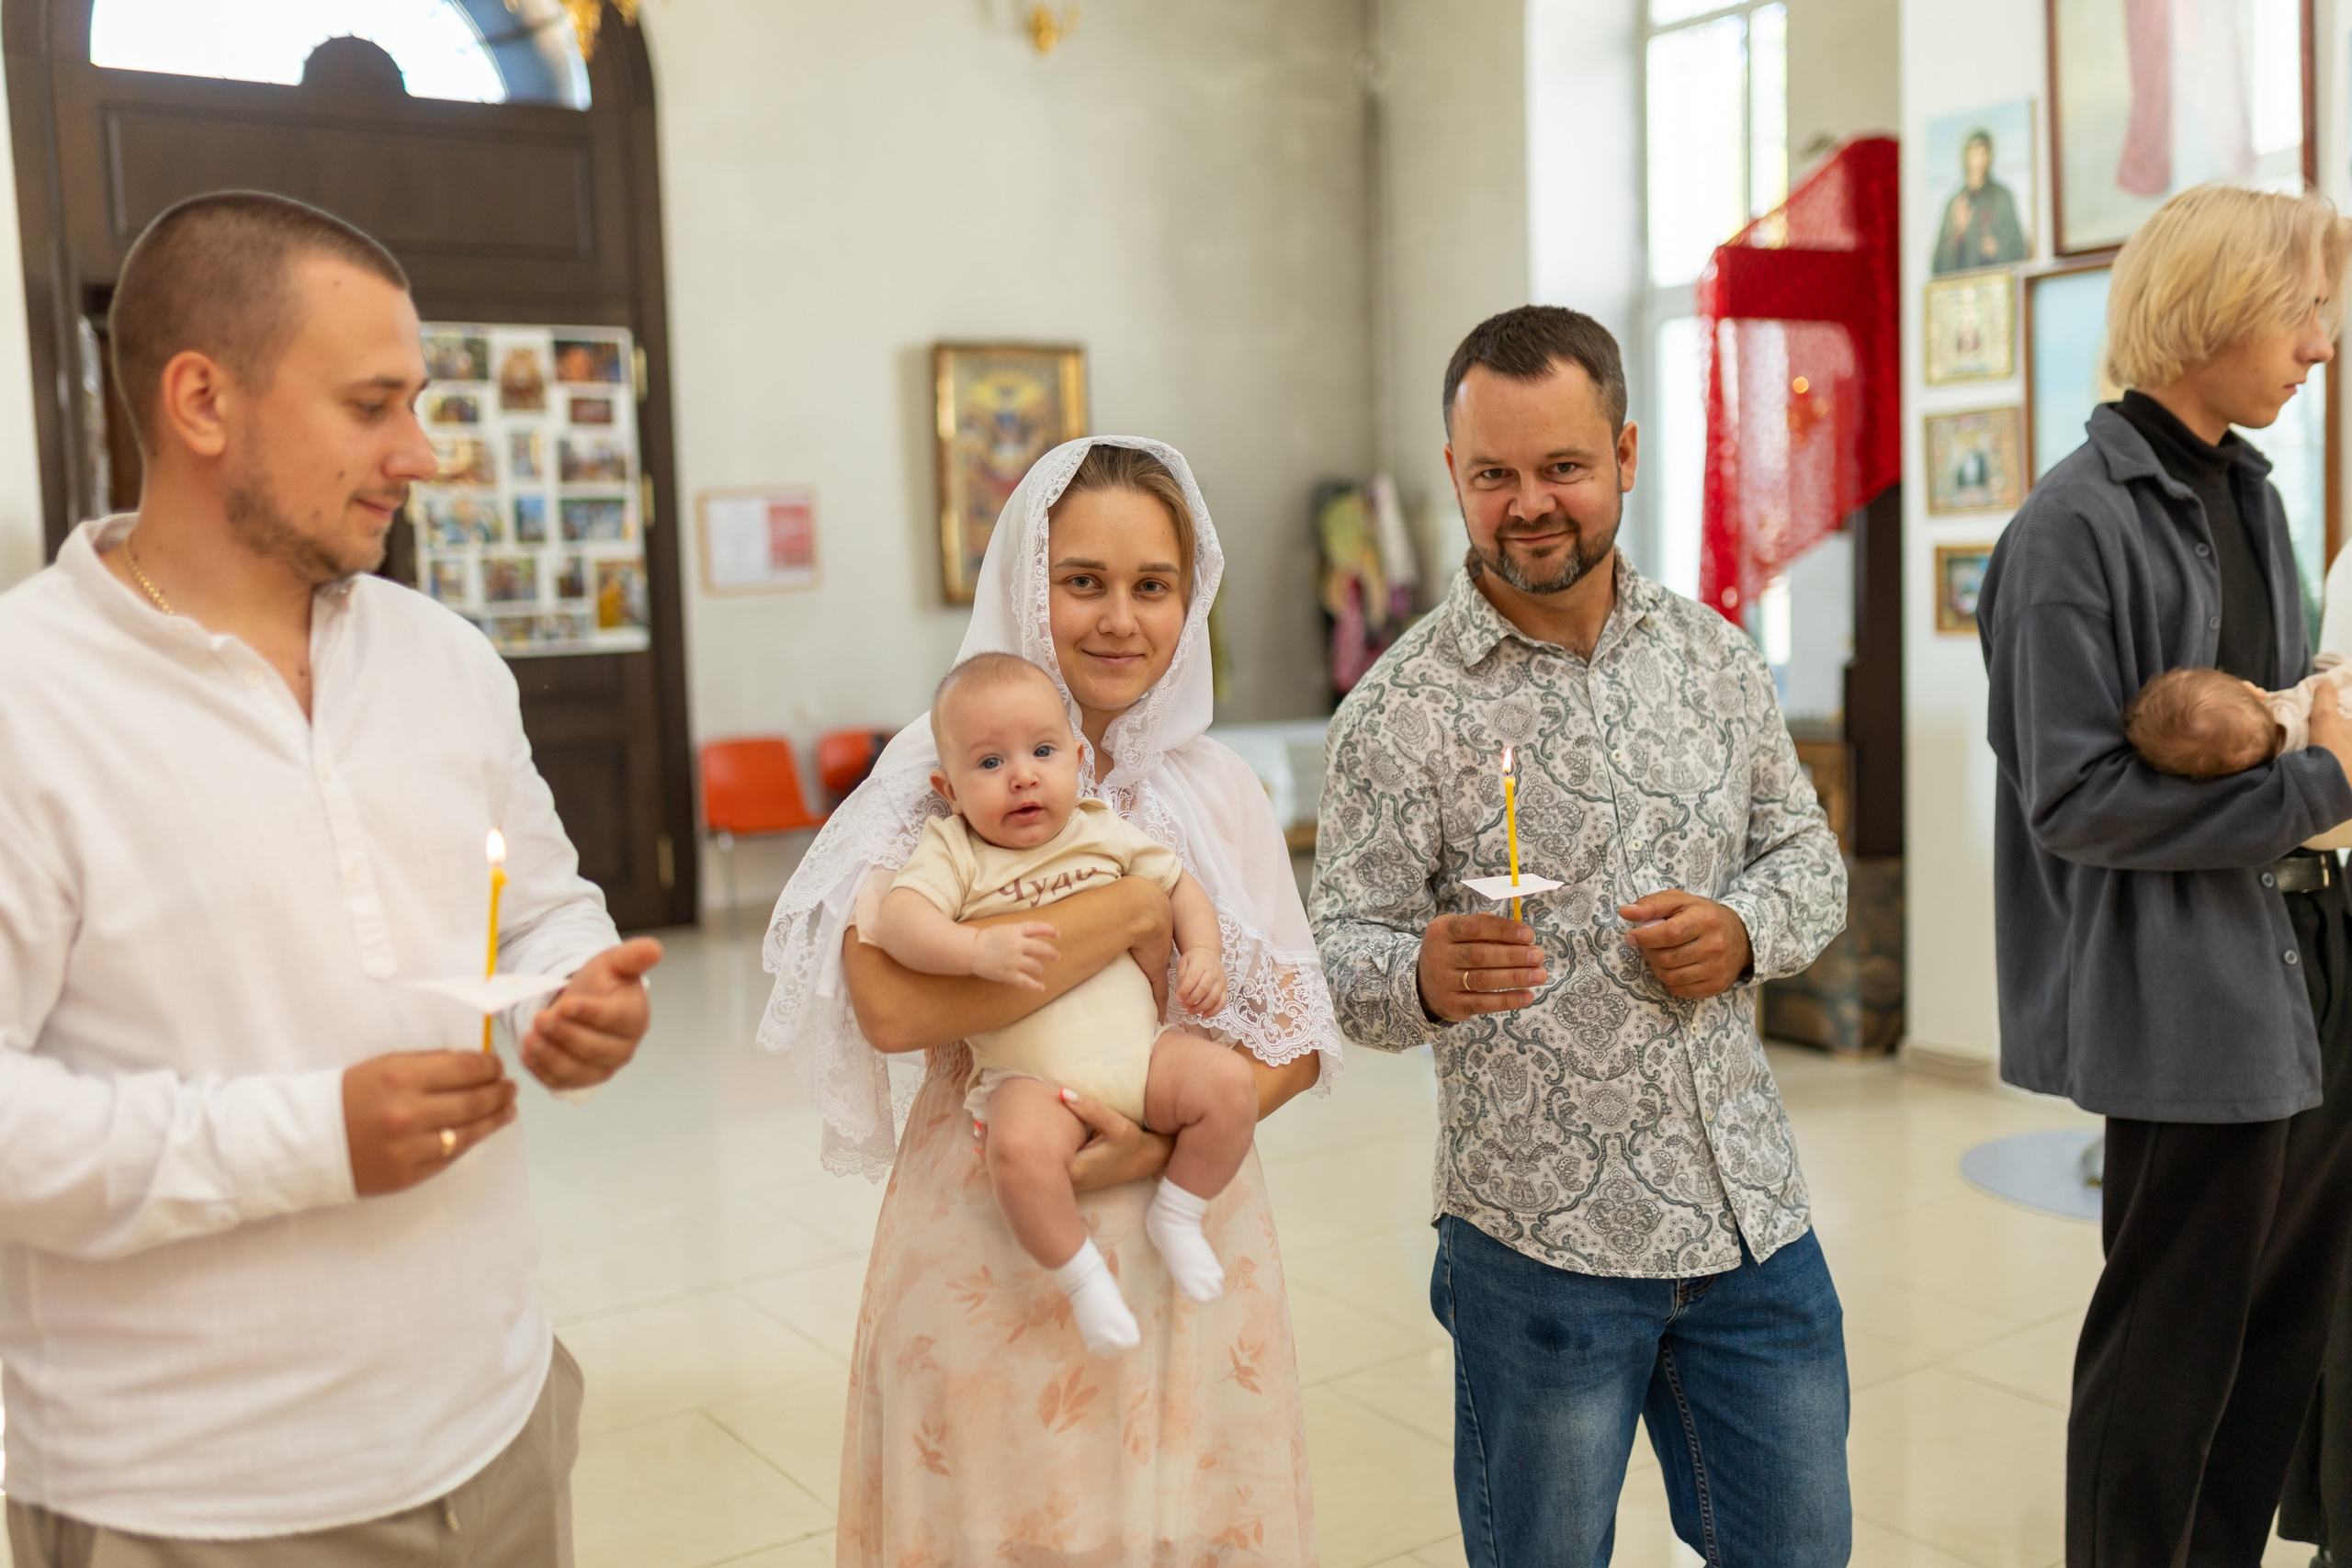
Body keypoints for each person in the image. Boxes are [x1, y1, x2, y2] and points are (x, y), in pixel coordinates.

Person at [0, 191, 660, 1566]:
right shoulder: (27, 698)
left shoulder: (443, 658)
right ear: (200, 400)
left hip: (497, 1415)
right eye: (374, 405)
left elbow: (543, 895)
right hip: (197, 1492)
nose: (423, 453)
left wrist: (571, 987)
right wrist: (309, 1140)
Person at [1311, 305, 1851, 1567]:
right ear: (1454, 473)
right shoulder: (1398, 711)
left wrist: (1745, 926)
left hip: (1752, 1227)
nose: (1528, 503)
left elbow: (1810, 861)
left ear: (1624, 450)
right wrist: (1422, 974)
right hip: (1538, 1249)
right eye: (1493, 474)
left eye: (1561, 465)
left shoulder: (1716, 661)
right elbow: (1338, 953)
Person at [759, 436, 1340, 1562]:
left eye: (1151, 587)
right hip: (994, 1209)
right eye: (1082, 583)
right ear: (1028, 587)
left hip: (1193, 1219)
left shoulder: (1219, 790)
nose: (1119, 619)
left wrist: (1140, 1153)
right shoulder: (927, 772)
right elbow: (890, 1008)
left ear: (1190, 602)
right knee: (1008, 1516)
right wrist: (1123, 918)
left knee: (1186, 1511)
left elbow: (1297, 1044)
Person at [1977, 182, 2352, 1566]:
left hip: (2307, 966)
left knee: (2276, 1339)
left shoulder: (2252, 495)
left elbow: (2274, 709)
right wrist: (2321, 782)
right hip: (2184, 1000)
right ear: (2218, 310)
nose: (2323, 342)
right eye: (2307, 308)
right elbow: (2073, 798)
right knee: (2168, 1357)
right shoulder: (2072, 529)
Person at [868, 650, 1255, 1351]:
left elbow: (1177, 887)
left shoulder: (1098, 825)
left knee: (1227, 1085)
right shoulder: (955, 851)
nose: (1021, 775)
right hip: (1035, 1081)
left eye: (1043, 751)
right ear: (947, 790)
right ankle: (1082, 1278)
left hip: (1143, 1056)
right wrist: (973, 951)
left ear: (1077, 758)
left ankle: (1180, 1209)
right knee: (1015, 1152)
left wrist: (1203, 954)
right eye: (988, 764)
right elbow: (897, 921)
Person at [1932, 128, 2030, 274]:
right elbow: (1937, 266)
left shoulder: (2003, 196)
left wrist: (1998, 249)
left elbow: (2020, 248)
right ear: (1966, 157)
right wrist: (1958, 232)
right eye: (1974, 154)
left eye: (1984, 153)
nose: (1979, 160)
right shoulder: (1955, 203)